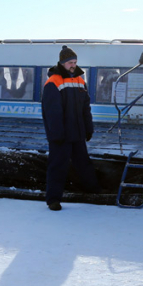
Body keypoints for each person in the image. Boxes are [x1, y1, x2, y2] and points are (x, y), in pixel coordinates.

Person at [41, 46, 100, 211]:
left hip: (78, 132)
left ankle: (94, 191)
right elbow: (52, 111)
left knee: (84, 163)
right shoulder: (53, 82)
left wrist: (88, 128)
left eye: (75, 62)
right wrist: (56, 133)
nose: (73, 65)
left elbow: (85, 108)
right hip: (61, 135)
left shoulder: (80, 81)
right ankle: (53, 199)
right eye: (70, 62)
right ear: (62, 63)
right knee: (58, 166)